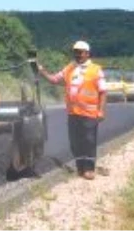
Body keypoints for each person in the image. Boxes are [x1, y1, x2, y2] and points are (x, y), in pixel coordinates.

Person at [37, 40, 108, 179]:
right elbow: (55, 79)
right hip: (73, 113)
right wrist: (41, 71)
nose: (78, 55)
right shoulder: (69, 68)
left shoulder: (96, 70)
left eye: (80, 52)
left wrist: (101, 111)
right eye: (75, 52)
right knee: (75, 142)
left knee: (89, 141)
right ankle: (80, 168)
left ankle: (89, 169)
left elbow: (103, 92)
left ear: (87, 53)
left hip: (90, 113)